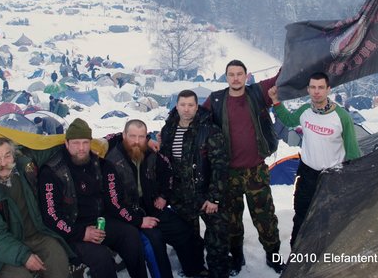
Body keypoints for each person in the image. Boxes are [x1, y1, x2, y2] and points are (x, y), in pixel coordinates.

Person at [37, 119, 148, 278]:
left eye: (85, 142)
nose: (81, 148)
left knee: (130, 235)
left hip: (99, 222)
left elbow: (113, 200)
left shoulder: (101, 165)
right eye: (76, 143)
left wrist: (136, 219)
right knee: (101, 258)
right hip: (71, 230)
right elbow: (51, 216)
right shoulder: (52, 172)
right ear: (66, 143)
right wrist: (82, 233)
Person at [203, 60, 282, 274]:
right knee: (231, 221)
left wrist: (294, 57)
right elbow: (196, 120)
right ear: (226, 77)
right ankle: (237, 257)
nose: (236, 78)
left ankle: (273, 256)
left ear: (247, 76)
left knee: (266, 218)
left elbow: (280, 78)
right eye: (231, 74)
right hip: (228, 174)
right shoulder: (216, 100)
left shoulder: (258, 93)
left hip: (256, 170)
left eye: (240, 74)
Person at [269, 71, 361, 247]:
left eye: (320, 87)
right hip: (307, 175)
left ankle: (322, 257)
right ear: (308, 89)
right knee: (301, 216)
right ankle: (296, 253)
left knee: (328, 219)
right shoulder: (305, 111)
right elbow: (289, 120)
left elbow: (353, 153)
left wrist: (351, 181)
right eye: (313, 87)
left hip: (332, 178)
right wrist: (275, 101)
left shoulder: (342, 117)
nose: (316, 91)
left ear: (328, 89)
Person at [105, 119, 206, 278]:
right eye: (132, 136)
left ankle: (194, 270)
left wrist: (164, 196)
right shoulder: (111, 160)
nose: (137, 142)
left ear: (147, 137)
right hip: (126, 215)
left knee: (184, 231)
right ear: (123, 135)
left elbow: (167, 173)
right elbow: (113, 202)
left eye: (141, 136)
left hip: (151, 207)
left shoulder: (151, 153)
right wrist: (138, 220)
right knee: (155, 241)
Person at [0, 137, 71, 278]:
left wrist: (74, 146)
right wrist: (24, 256)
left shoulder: (27, 168)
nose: (3, 163)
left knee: (58, 258)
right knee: (20, 275)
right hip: (6, 249)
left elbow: (47, 149)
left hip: (37, 236)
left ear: (14, 156)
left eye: (7, 156)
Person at [160, 90, 229, 278]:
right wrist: (166, 193)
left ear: (197, 107)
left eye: (191, 105)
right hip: (181, 196)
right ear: (177, 106)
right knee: (189, 238)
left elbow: (220, 166)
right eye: (183, 104)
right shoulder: (168, 130)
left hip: (206, 193)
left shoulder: (209, 129)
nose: (186, 109)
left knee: (217, 238)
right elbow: (165, 164)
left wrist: (214, 197)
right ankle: (196, 270)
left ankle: (218, 272)